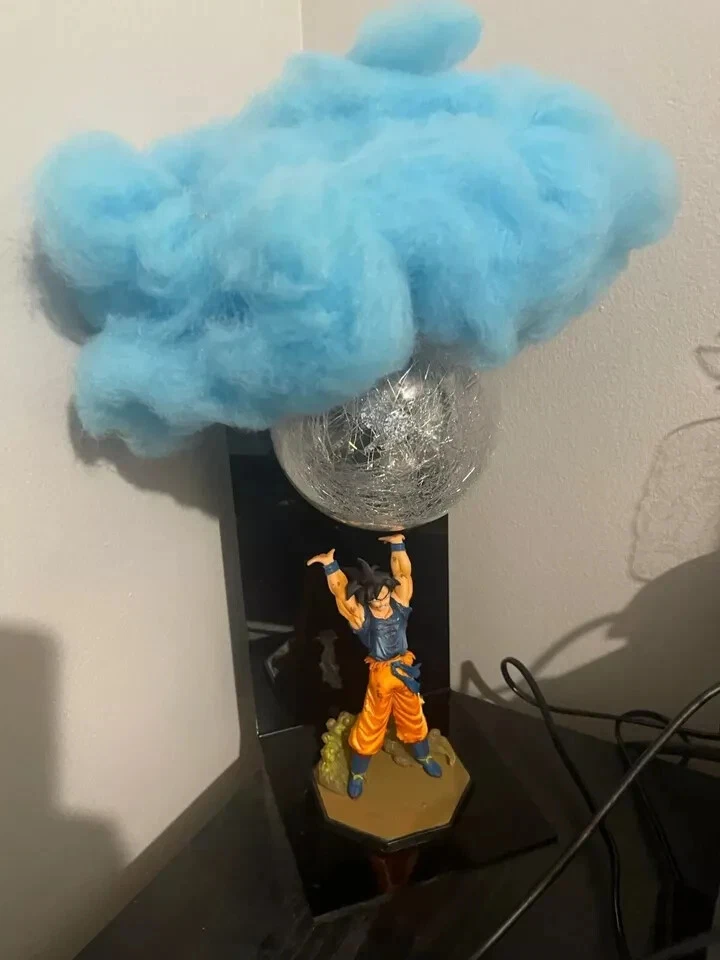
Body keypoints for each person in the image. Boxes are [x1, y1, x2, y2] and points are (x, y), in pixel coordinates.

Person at [307, 535, 441, 799]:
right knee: (371, 724)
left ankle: (424, 756)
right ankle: (358, 772)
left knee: (414, 718)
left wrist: (398, 544)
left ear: (389, 592)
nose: (380, 604)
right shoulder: (363, 618)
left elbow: (403, 574)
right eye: (374, 602)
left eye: (383, 598)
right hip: (380, 677)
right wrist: (331, 566)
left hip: (405, 672)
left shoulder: (400, 606)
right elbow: (343, 598)